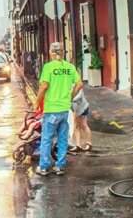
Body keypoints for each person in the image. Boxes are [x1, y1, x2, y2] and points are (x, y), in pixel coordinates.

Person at [34, 41, 82, 177]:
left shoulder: (48, 67)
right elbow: (79, 83)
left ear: (51, 53)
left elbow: (43, 86)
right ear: (62, 52)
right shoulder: (70, 67)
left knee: (47, 138)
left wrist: (37, 102)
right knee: (62, 138)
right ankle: (59, 166)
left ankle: (43, 167)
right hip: (64, 109)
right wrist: (70, 97)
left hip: (51, 109)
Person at [69, 84, 91, 153]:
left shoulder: (75, 83)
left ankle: (89, 144)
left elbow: (79, 96)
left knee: (83, 125)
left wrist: (69, 98)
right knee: (76, 126)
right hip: (74, 109)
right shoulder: (65, 84)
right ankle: (78, 145)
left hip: (82, 108)